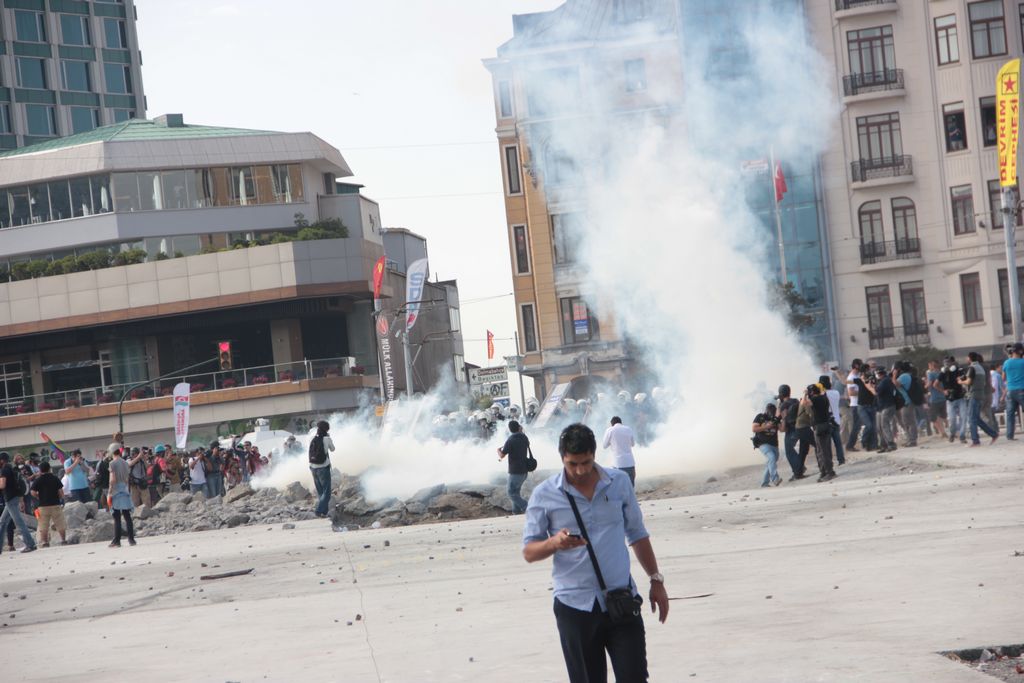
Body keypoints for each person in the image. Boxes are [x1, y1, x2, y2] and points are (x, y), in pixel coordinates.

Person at [523, 423, 668, 683]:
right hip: (575, 607)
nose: (580, 470)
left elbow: (637, 533)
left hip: (622, 601)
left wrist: (656, 580)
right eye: (572, 464)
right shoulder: (544, 494)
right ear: (562, 458)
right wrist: (554, 543)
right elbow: (529, 552)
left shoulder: (619, 483)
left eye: (586, 462)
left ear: (594, 454)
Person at [960, 352, 999, 447]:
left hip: (974, 395)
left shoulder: (972, 368)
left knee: (972, 419)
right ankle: (993, 434)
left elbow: (969, 382)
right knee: (976, 418)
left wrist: (961, 381)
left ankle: (975, 441)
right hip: (981, 395)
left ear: (969, 358)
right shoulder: (980, 368)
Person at [0, 451, 36, 552]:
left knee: (19, 522)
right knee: (2, 522)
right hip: (13, 498)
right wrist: (21, 500)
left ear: (2, 460)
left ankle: (30, 544)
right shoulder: (10, 468)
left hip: (10, 499)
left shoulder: (4, 470)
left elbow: (2, 485)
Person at [497, 420, 532, 513]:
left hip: (515, 471)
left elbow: (502, 455)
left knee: (511, 493)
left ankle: (527, 507)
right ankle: (516, 512)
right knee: (516, 492)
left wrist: (498, 450)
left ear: (510, 429)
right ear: (518, 427)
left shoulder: (511, 440)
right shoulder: (524, 438)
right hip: (524, 470)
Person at [30, 461, 67, 547]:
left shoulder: (38, 480)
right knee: (60, 523)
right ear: (49, 468)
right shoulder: (55, 478)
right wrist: (61, 498)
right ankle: (63, 540)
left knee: (43, 525)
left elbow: (32, 492)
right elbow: (61, 492)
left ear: (40, 470)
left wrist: (38, 496)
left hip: (43, 506)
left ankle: (45, 542)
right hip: (55, 504)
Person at [807, 384, 836, 482]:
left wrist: (804, 395)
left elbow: (804, 403)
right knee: (823, 450)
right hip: (825, 425)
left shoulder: (815, 400)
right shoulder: (824, 398)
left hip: (820, 427)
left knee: (822, 451)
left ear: (811, 392)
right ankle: (824, 471)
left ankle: (829, 472)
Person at [107, 447, 135, 547]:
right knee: (127, 516)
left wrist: (110, 491)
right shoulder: (124, 463)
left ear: (111, 452)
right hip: (124, 489)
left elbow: (112, 479)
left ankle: (117, 541)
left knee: (117, 517)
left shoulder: (112, 463)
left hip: (116, 490)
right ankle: (131, 539)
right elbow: (127, 479)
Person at [776, 385, 806, 481]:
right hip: (801, 427)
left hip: (791, 429)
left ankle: (798, 471)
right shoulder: (795, 400)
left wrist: (778, 404)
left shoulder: (783, 405)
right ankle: (799, 469)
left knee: (789, 452)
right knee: (795, 450)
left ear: (781, 394)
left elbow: (777, 417)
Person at [308, 421, 336, 518]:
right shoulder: (326, 438)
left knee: (320, 492)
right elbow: (333, 449)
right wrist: (329, 438)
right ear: (327, 429)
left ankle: (324, 512)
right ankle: (319, 511)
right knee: (327, 492)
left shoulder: (313, 438)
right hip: (323, 467)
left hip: (312, 467)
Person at [751, 403, 782, 487]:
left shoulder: (775, 418)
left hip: (774, 444)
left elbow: (782, 429)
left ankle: (765, 483)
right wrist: (766, 427)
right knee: (771, 457)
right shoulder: (760, 417)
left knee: (771, 462)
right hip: (763, 443)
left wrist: (780, 419)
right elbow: (754, 428)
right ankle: (775, 479)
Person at [601, 416, 637, 485]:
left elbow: (604, 445)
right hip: (630, 462)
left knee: (619, 486)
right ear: (621, 422)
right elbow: (633, 444)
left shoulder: (610, 430)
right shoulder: (628, 429)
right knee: (630, 486)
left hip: (618, 463)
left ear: (612, 424)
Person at [819, 375, 845, 466]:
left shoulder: (822, 394)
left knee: (827, 444)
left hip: (827, 421)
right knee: (838, 442)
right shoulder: (836, 392)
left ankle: (830, 461)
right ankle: (841, 459)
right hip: (836, 419)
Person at [941, 356, 967, 443]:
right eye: (945, 362)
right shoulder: (943, 373)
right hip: (950, 400)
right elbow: (935, 384)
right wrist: (943, 391)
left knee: (963, 417)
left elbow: (965, 378)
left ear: (953, 363)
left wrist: (960, 378)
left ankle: (962, 436)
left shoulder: (958, 370)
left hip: (960, 398)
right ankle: (952, 433)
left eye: (948, 362)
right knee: (952, 419)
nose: (947, 364)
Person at [1002, 343, 1024, 440]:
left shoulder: (1006, 363)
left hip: (1010, 391)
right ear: (1020, 351)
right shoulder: (1023, 362)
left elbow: (1003, 377)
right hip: (1021, 389)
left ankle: (1010, 436)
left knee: (1010, 415)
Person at [895, 363, 919, 447]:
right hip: (907, 401)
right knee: (907, 421)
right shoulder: (909, 375)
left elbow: (895, 384)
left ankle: (912, 440)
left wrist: (894, 375)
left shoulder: (904, 376)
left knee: (908, 421)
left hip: (907, 402)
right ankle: (910, 439)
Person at [926, 360, 949, 440]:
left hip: (934, 398)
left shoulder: (930, 374)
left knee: (932, 417)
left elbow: (929, 384)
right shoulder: (941, 373)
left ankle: (942, 432)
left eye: (929, 366)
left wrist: (925, 385)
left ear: (932, 366)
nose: (929, 367)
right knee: (942, 416)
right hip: (943, 397)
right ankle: (947, 431)